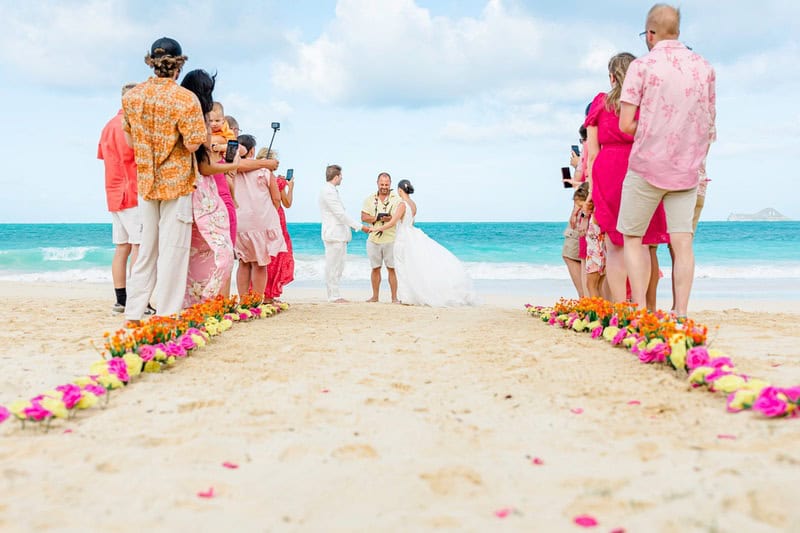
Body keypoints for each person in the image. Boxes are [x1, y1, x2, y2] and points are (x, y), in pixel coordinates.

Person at [618, 4, 716, 317]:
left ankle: (641, 309)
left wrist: (653, 130)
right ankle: (681, 312)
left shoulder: (642, 67)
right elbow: (709, 125)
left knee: (633, 238)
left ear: (650, 34)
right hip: (687, 169)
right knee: (682, 242)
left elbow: (625, 124)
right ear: (678, 31)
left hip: (647, 165)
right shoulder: (704, 67)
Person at [122, 37, 207, 324]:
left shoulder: (132, 97)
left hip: (146, 181)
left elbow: (130, 139)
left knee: (146, 250)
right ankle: (166, 314)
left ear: (151, 62)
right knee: (173, 251)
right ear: (178, 66)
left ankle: (134, 312)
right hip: (178, 181)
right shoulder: (185, 98)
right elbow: (195, 143)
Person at [584, 52, 668, 305]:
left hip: (607, 173)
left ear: (611, 77)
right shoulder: (646, 105)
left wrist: (590, 191)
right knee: (640, 243)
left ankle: (621, 306)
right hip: (640, 171)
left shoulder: (599, 103)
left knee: (614, 246)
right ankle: (641, 305)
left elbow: (592, 154)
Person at [179, 69, 237, 307]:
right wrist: (232, 165)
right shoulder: (198, 118)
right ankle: (206, 299)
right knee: (223, 253)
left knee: (190, 252)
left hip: (181, 190)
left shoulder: (179, 114)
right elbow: (205, 167)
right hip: (202, 192)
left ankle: (191, 302)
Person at [369, 180, 476, 307]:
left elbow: (392, 223)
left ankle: (406, 297)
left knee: (402, 267)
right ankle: (410, 295)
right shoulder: (413, 204)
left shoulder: (402, 204)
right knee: (410, 266)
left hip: (402, 238)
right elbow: (410, 222)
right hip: (410, 234)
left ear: (399, 190)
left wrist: (375, 229)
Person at [98, 81, 142, 314]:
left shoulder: (107, 126)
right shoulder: (131, 125)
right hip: (132, 191)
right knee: (138, 247)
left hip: (113, 192)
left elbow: (102, 156)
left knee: (122, 247)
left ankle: (121, 299)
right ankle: (136, 299)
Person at [233, 135, 285, 300]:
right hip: (260, 223)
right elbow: (276, 198)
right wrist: (270, 212)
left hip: (240, 223)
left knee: (243, 263)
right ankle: (256, 301)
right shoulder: (264, 171)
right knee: (260, 263)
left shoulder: (230, 170)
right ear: (252, 151)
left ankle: (243, 299)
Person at [318, 164, 369, 302]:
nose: (342, 178)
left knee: (339, 266)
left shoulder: (332, 190)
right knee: (333, 266)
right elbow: (340, 214)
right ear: (336, 177)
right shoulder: (328, 191)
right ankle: (333, 296)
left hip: (338, 234)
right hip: (334, 234)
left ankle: (335, 294)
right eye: (341, 176)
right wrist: (359, 227)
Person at [258, 148, 295, 301]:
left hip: (259, 217)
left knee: (262, 254)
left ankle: (261, 293)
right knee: (276, 255)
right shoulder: (275, 180)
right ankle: (268, 295)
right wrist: (289, 187)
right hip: (275, 219)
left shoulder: (253, 177)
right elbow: (286, 203)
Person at [361, 172, 401, 303]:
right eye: (382, 184)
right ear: (377, 183)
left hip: (391, 239)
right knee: (375, 268)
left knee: (392, 269)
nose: (384, 186)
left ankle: (394, 298)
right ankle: (375, 297)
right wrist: (376, 218)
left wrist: (390, 218)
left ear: (390, 184)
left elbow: (399, 216)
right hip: (373, 240)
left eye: (386, 184)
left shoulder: (396, 199)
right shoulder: (369, 199)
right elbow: (363, 217)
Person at [563, 183, 589, 298]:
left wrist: (578, 212)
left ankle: (584, 298)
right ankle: (586, 299)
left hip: (586, 204)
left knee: (573, 255)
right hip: (585, 200)